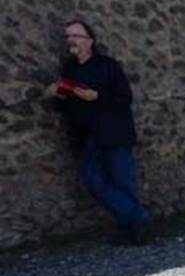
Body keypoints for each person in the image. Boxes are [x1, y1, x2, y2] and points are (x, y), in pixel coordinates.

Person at [46, 20, 149, 245]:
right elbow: (63, 107)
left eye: (75, 35)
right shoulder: (69, 70)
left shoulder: (108, 65)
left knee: (122, 183)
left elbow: (125, 99)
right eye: (67, 36)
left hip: (114, 134)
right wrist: (55, 94)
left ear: (90, 41)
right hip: (86, 137)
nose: (70, 40)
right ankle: (137, 218)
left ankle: (130, 231)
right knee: (93, 181)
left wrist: (98, 97)